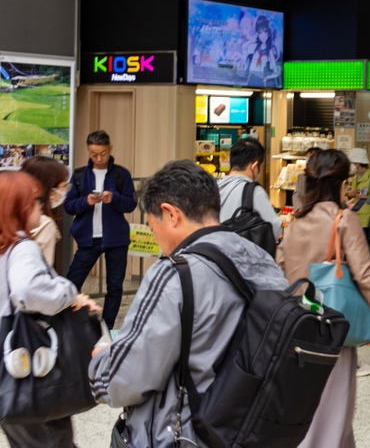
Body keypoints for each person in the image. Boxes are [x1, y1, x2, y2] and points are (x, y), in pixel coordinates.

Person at [90, 160, 289, 446]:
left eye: (151, 224)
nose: (155, 237)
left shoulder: (174, 272)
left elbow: (127, 378)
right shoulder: (261, 260)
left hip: (184, 434)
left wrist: (101, 361)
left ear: (170, 214)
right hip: (245, 430)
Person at [277, 149, 370, 447]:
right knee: (334, 412)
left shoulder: (295, 223)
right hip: (331, 326)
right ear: (342, 184)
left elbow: (278, 268)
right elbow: (366, 273)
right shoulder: (344, 219)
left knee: (307, 409)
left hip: (296, 326)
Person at [0, 172, 100, 448]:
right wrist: (68, 292)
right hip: (30, 364)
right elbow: (27, 290)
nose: (41, 208)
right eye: (34, 202)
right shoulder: (22, 247)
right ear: (19, 208)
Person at [64, 129, 137, 329]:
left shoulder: (121, 174)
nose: (98, 158)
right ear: (88, 151)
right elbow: (68, 206)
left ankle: (107, 327)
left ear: (110, 149)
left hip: (117, 239)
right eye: (93, 154)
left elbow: (131, 204)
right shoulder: (79, 175)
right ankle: (70, 324)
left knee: (115, 286)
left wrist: (114, 199)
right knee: (72, 283)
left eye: (103, 153)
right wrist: (86, 201)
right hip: (88, 239)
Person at [218, 137, 283, 243]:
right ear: (254, 166)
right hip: (241, 256)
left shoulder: (214, 187)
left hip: (215, 254)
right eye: (260, 168)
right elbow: (275, 230)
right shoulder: (253, 191)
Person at [20, 156, 70, 265]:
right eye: (63, 186)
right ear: (49, 189)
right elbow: (41, 271)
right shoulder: (44, 224)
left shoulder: (11, 214)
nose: (65, 191)